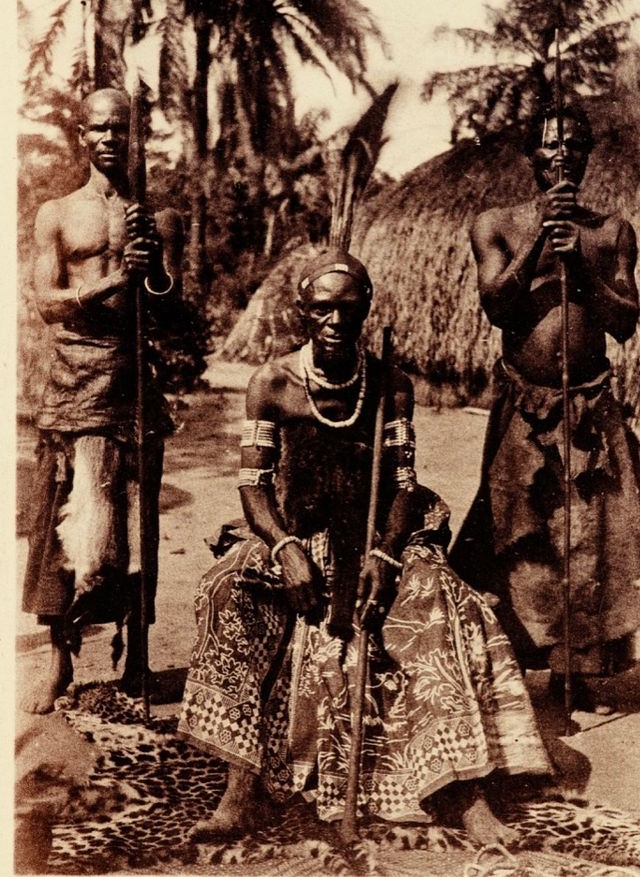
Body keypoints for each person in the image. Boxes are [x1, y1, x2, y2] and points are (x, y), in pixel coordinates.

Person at [178, 250, 551, 847]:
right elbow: (253, 484)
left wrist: (385, 556)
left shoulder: (389, 384)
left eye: (347, 309)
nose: (334, 320)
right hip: (293, 532)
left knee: (448, 606)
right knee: (224, 593)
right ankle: (239, 790)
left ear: (366, 309)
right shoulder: (271, 383)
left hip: (383, 533)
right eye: (321, 309)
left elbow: (404, 486)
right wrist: (283, 549)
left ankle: (467, 796)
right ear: (303, 312)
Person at [449, 105, 640, 712]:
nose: (562, 154)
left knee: (589, 530)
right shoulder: (497, 223)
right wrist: (542, 236)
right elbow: (497, 304)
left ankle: (579, 670)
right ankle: (520, 662)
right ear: (532, 157)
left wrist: (579, 265)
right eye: (549, 146)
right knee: (521, 527)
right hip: (524, 399)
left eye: (574, 145)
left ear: (588, 155)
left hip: (590, 401)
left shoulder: (612, 231)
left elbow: (625, 320)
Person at [21, 88, 183, 714]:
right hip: (71, 383)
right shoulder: (57, 214)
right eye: (98, 128)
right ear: (82, 136)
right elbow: (46, 303)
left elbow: (169, 305)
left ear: (134, 134)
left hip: (132, 385)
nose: (110, 138)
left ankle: (135, 654)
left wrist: (154, 264)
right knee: (57, 521)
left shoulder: (156, 217)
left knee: (137, 523)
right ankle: (60, 661)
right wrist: (114, 280)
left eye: (121, 127)